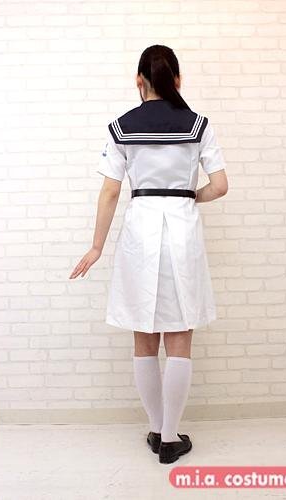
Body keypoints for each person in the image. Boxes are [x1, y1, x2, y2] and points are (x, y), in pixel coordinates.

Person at [70, 45, 228, 464]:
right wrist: (189, 195)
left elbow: (110, 191)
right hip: (182, 232)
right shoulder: (199, 125)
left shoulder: (121, 127)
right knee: (179, 333)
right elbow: (220, 185)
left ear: (139, 81)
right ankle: (172, 437)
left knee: (144, 332)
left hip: (140, 231)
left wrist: (96, 246)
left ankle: (157, 430)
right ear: (177, 80)